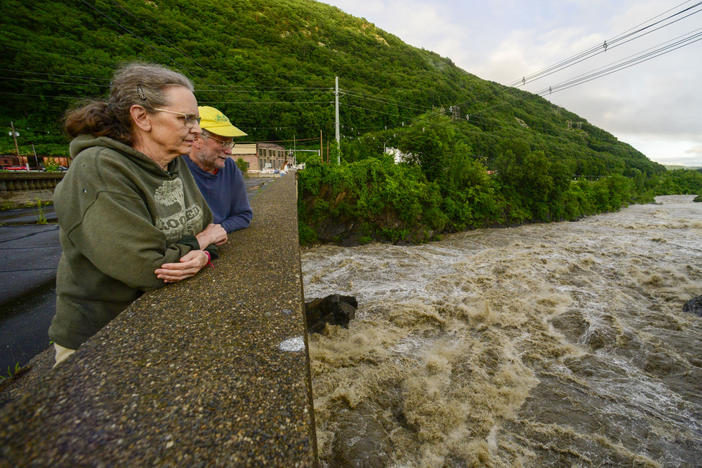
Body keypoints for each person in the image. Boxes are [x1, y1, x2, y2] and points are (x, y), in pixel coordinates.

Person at [48, 62, 226, 365]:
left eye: (195, 119)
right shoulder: (99, 169)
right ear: (141, 117)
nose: (196, 129)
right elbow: (148, 267)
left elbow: (211, 229)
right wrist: (199, 244)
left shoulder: (173, 162)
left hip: (160, 323)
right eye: (186, 119)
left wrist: (205, 252)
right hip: (99, 341)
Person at [182, 106, 252, 235]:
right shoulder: (176, 167)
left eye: (230, 144)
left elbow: (243, 215)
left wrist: (216, 232)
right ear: (197, 139)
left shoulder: (229, 167)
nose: (229, 151)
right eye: (223, 143)